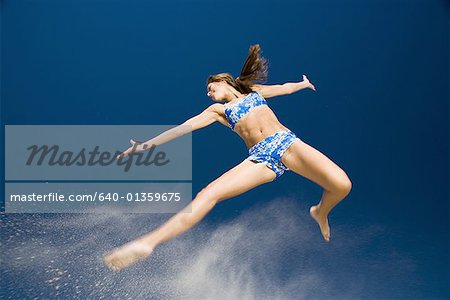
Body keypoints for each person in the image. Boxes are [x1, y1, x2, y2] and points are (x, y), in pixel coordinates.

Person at [103, 44, 352, 271]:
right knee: (208, 194)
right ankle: (148, 243)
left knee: (342, 185)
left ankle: (320, 212)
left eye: (210, 88)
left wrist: (302, 84)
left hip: (288, 144)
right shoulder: (217, 111)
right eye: (207, 93)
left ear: (223, 81)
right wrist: (143, 147)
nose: (209, 94)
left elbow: (284, 89)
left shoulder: (254, 92)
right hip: (261, 158)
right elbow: (183, 128)